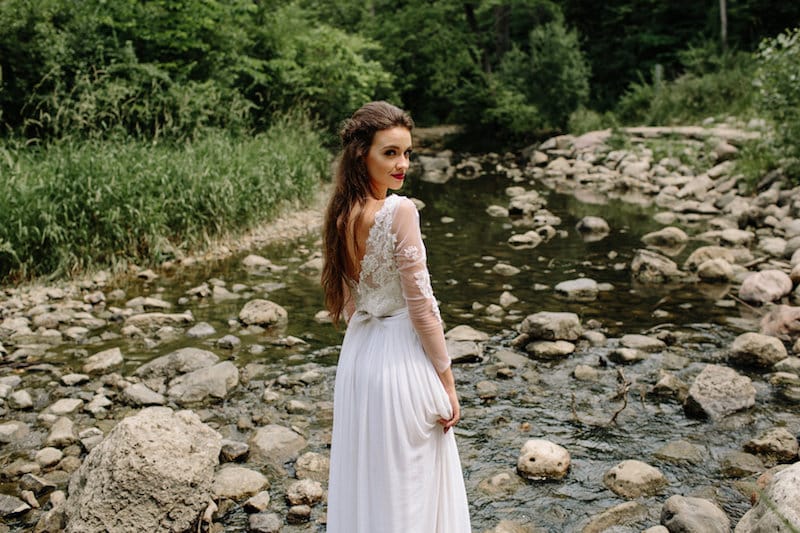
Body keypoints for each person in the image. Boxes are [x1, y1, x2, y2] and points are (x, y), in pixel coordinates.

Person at [321, 101, 471, 533]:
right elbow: (422, 306)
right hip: (398, 361)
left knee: (369, 481)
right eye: (390, 152)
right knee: (411, 488)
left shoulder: (341, 214)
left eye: (407, 153)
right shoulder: (399, 211)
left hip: (361, 357)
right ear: (361, 155)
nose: (402, 163)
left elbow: (352, 302)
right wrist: (446, 381)